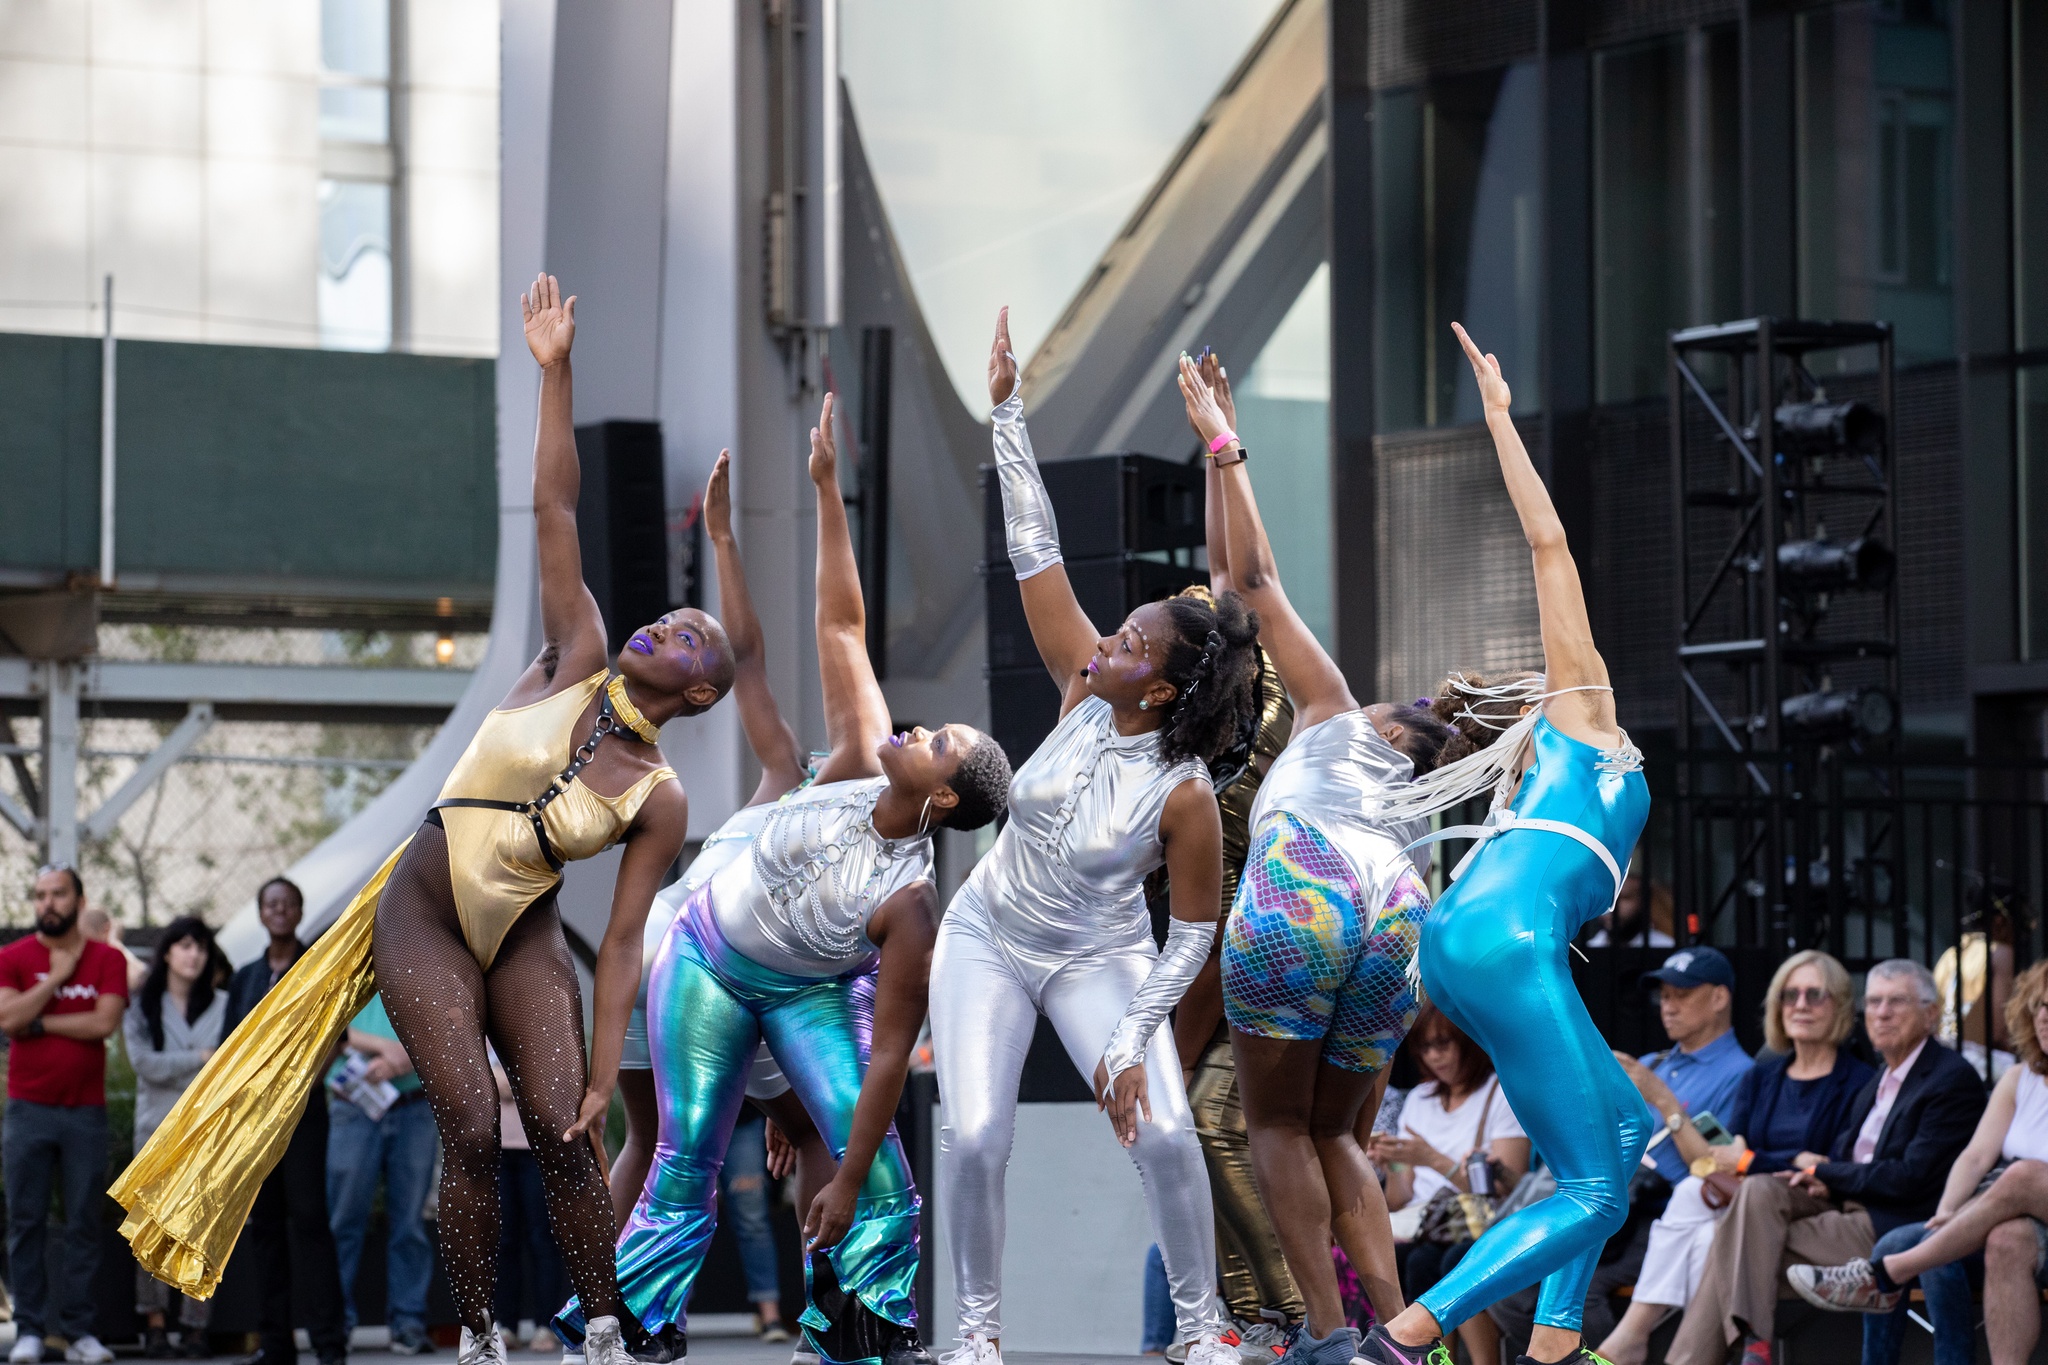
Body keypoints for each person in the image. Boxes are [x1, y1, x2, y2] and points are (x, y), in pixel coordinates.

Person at [117, 274, 740, 1365]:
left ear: (699, 696)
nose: (669, 624)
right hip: (423, 908)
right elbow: (556, 509)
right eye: (674, 614)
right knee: (461, 1124)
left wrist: (605, 1073)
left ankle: (602, 1319)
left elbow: (626, 945)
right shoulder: (575, 654)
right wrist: (557, 374)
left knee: (560, 1128)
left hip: (524, 934)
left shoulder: (661, 796)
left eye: (691, 636)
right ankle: (477, 1329)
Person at [562, 395, 1011, 1365]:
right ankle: (625, 1330)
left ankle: (854, 1331)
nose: (918, 729)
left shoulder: (909, 910)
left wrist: (845, 1173)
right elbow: (839, 625)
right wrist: (823, 494)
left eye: (937, 745)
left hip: (806, 989)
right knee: (681, 1156)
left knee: (878, 1174)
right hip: (707, 963)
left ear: (940, 803)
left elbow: (888, 1058)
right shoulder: (849, 753)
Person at [932, 311, 1261, 1365]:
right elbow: (1035, 548)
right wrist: (1005, 412)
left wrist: (1126, 1040)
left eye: (1129, 641)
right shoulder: (1081, 693)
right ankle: (977, 1335)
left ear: (1159, 685)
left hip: (1104, 954)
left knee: (1163, 1132)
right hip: (986, 933)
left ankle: (1204, 1332)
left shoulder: (1182, 794)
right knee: (978, 1135)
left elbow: (1190, 940)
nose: (1108, 638)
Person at [1352, 322, 1653, 1365]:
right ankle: (1402, 1336)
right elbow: (1547, 549)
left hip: (1467, 944)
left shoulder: (1554, 778)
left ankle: (1553, 1345)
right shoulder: (1583, 721)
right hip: (1498, 944)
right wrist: (1495, 417)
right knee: (1592, 1183)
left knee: (1620, 1133)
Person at [1178, 350, 1457, 1365]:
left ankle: (1330, 1338)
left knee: (1276, 1129)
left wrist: (1226, 444)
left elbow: (1251, 582)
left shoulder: (1334, 711)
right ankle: (1397, 1334)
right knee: (1338, 1131)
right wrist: (1218, 460)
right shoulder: (1417, 796)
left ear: (1388, 726)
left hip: (1306, 889)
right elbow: (1224, 585)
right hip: (1395, 909)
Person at [605, 452, 834, 1345]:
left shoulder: (826, 813)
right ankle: (621, 1309)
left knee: (660, 1138)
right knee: (679, 1136)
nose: (814, 756)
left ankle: (617, 1312)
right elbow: (753, 661)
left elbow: (761, 665)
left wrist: (730, 535)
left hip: (701, 964)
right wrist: (724, 538)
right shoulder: (783, 784)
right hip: (692, 957)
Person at [1664, 958, 1985, 1365]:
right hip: (1840, 1209)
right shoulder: (1880, 1080)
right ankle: (1750, 1349)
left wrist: (1825, 1172)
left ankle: (1739, 1351)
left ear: (1931, 1013)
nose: (1882, 1013)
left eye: (1896, 1002)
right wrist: (1824, 1179)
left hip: (1893, 1226)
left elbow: (1910, 1178)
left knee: (1736, 1241)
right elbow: (1849, 1161)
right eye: (1875, 1002)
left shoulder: (1948, 1078)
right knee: (1758, 1196)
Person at [1591, 950, 1871, 1365]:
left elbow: (1833, 1166)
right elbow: (1722, 1159)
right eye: (1790, 995)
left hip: (1812, 1204)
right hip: (1744, 1205)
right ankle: (1663, 1351)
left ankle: (1745, 1343)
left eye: (1816, 995)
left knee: (1745, 1195)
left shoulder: (1859, 1079)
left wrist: (1759, 1160)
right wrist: (1777, 1159)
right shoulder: (1764, 1076)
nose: (1801, 1005)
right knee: (1704, 1216)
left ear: (1841, 1005)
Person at [1786, 959, 2048, 1365]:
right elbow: (1976, 1156)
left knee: (2024, 1174)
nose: (2046, 1016)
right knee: (1979, 1239)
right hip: (2013, 1220)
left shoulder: (1948, 1075)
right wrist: (1946, 1215)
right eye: (2039, 1006)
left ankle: (1885, 1274)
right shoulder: (2019, 1078)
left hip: (2023, 1193)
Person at [218, 877, 351, 1365]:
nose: (279, 911)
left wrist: (306, 1080)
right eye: (270, 904)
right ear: (261, 913)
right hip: (254, 1124)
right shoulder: (245, 977)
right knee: (265, 1227)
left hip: (302, 1118)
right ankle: (275, 1343)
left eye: (287, 904)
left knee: (312, 1223)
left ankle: (328, 1342)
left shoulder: (315, 968)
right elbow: (231, 1047)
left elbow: (336, 1036)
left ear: (298, 912)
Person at [0, 864, 128, 1365]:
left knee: (82, 1224)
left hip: (84, 1113)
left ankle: (79, 1332)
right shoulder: (13, 957)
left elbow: (104, 1022)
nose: (47, 903)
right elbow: (8, 1019)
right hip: (27, 1110)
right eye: (40, 896)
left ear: (79, 899)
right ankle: (30, 1329)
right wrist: (55, 978)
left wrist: (40, 1020)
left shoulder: (106, 959)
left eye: (57, 894)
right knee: (25, 1220)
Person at [1369, 1006, 1530, 1365]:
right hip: (1423, 1226)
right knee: (1411, 1258)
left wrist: (1430, 1158)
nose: (1433, 1056)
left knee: (1453, 1260)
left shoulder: (1500, 1093)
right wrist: (1392, 1162)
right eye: (1424, 1047)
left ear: (1468, 1043)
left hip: (1480, 1225)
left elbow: (1509, 1189)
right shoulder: (1419, 1098)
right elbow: (1398, 1199)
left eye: (1443, 1044)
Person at [125, 916, 232, 1358]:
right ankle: (153, 1323)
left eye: (201, 948)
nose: (194, 955)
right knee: (150, 1228)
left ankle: (194, 1326)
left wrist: (195, 1060)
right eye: (185, 946)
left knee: (201, 1227)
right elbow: (143, 1064)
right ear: (166, 952)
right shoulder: (141, 1006)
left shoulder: (225, 1003)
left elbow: (225, 1064)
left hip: (207, 1132)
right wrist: (199, 1057)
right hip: (156, 1131)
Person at [326, 994, 437, 1354]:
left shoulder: (426, 958)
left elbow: (448, 1025)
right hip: (355, 1101)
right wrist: (390, 1052)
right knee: (343, 1219)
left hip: (415, 1104)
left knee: (409, 1223)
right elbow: (326, 1018)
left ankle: (408, 1322)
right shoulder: (348, 956)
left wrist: (402, 1060)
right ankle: (333, 1323)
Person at [490, 1046, 563, 1351]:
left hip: (539, 1143)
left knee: (543, 1237)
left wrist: (512, 1079)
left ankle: (548, 1324)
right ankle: (504, 1324)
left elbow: (556, 1071)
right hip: (492, 1143)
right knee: (502, 1239)